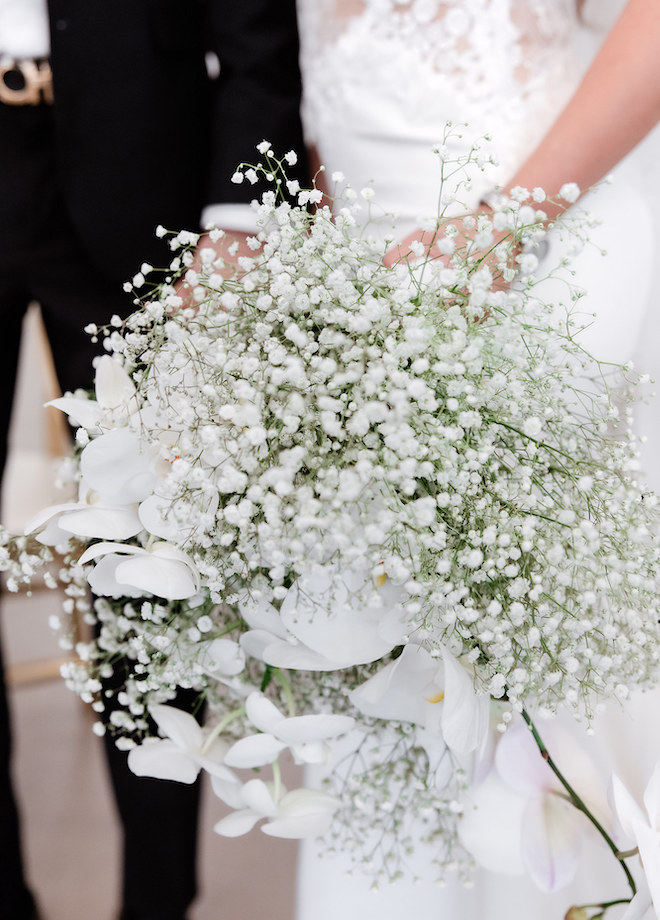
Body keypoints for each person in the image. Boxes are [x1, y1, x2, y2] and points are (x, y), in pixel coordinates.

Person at [294, 0, 660, 917]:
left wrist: (506, 223)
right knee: (378, 684)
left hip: (540, 257)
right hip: (359, 306)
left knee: (526, 658)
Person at [0, 2, 307, 918]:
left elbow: (259, 33)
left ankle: (159, 901)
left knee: (145, 570)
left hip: (139, 170)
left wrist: (237, 216)